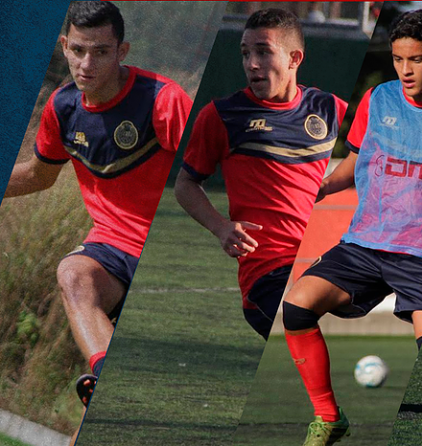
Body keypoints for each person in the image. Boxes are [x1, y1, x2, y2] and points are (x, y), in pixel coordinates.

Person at [278, 9, 422, 446]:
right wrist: (316, 190)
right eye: (398, 59)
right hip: (365, 242)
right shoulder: (378, 100)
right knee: (297, 307)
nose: (405, 69)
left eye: (416, 59)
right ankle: (328, 417)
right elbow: (355, 163)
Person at [4, 1, 191, 407]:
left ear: (122, 51)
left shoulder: (162, 100)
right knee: (73, 274)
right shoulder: (62, 107)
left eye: (101, 52)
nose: (86, 63)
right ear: (64, 45)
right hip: (112, 247)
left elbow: (207, 172)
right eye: (78, 50)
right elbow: (39, 175)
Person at [175, 8, 347, 339]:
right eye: (245, 53)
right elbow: (185, 184)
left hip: (323, 263)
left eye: (263, 52)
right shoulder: (222, 116)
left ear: (295, 58)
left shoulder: (330, 109)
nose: (251, 63)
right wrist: (220, 227)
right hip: (268, 275)